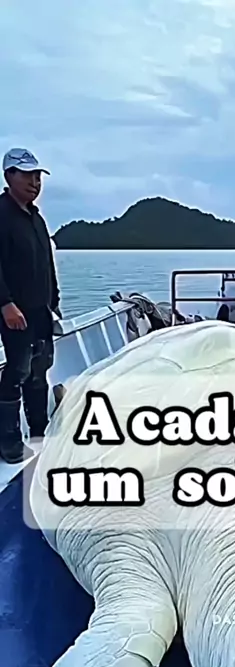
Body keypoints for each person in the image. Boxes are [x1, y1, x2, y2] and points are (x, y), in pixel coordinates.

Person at [0, 148, 61, 464]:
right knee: (18, 370)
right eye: (27, 175)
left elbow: (47, 262)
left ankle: (39, 431)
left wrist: (55, 300)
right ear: (9, 175)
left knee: (40, 369)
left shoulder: (36, 218)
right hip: (15, 312)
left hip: (40, 310)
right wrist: (5, 303)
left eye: (38, 176)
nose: (34, 182)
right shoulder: (1, 214)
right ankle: (9, 440)